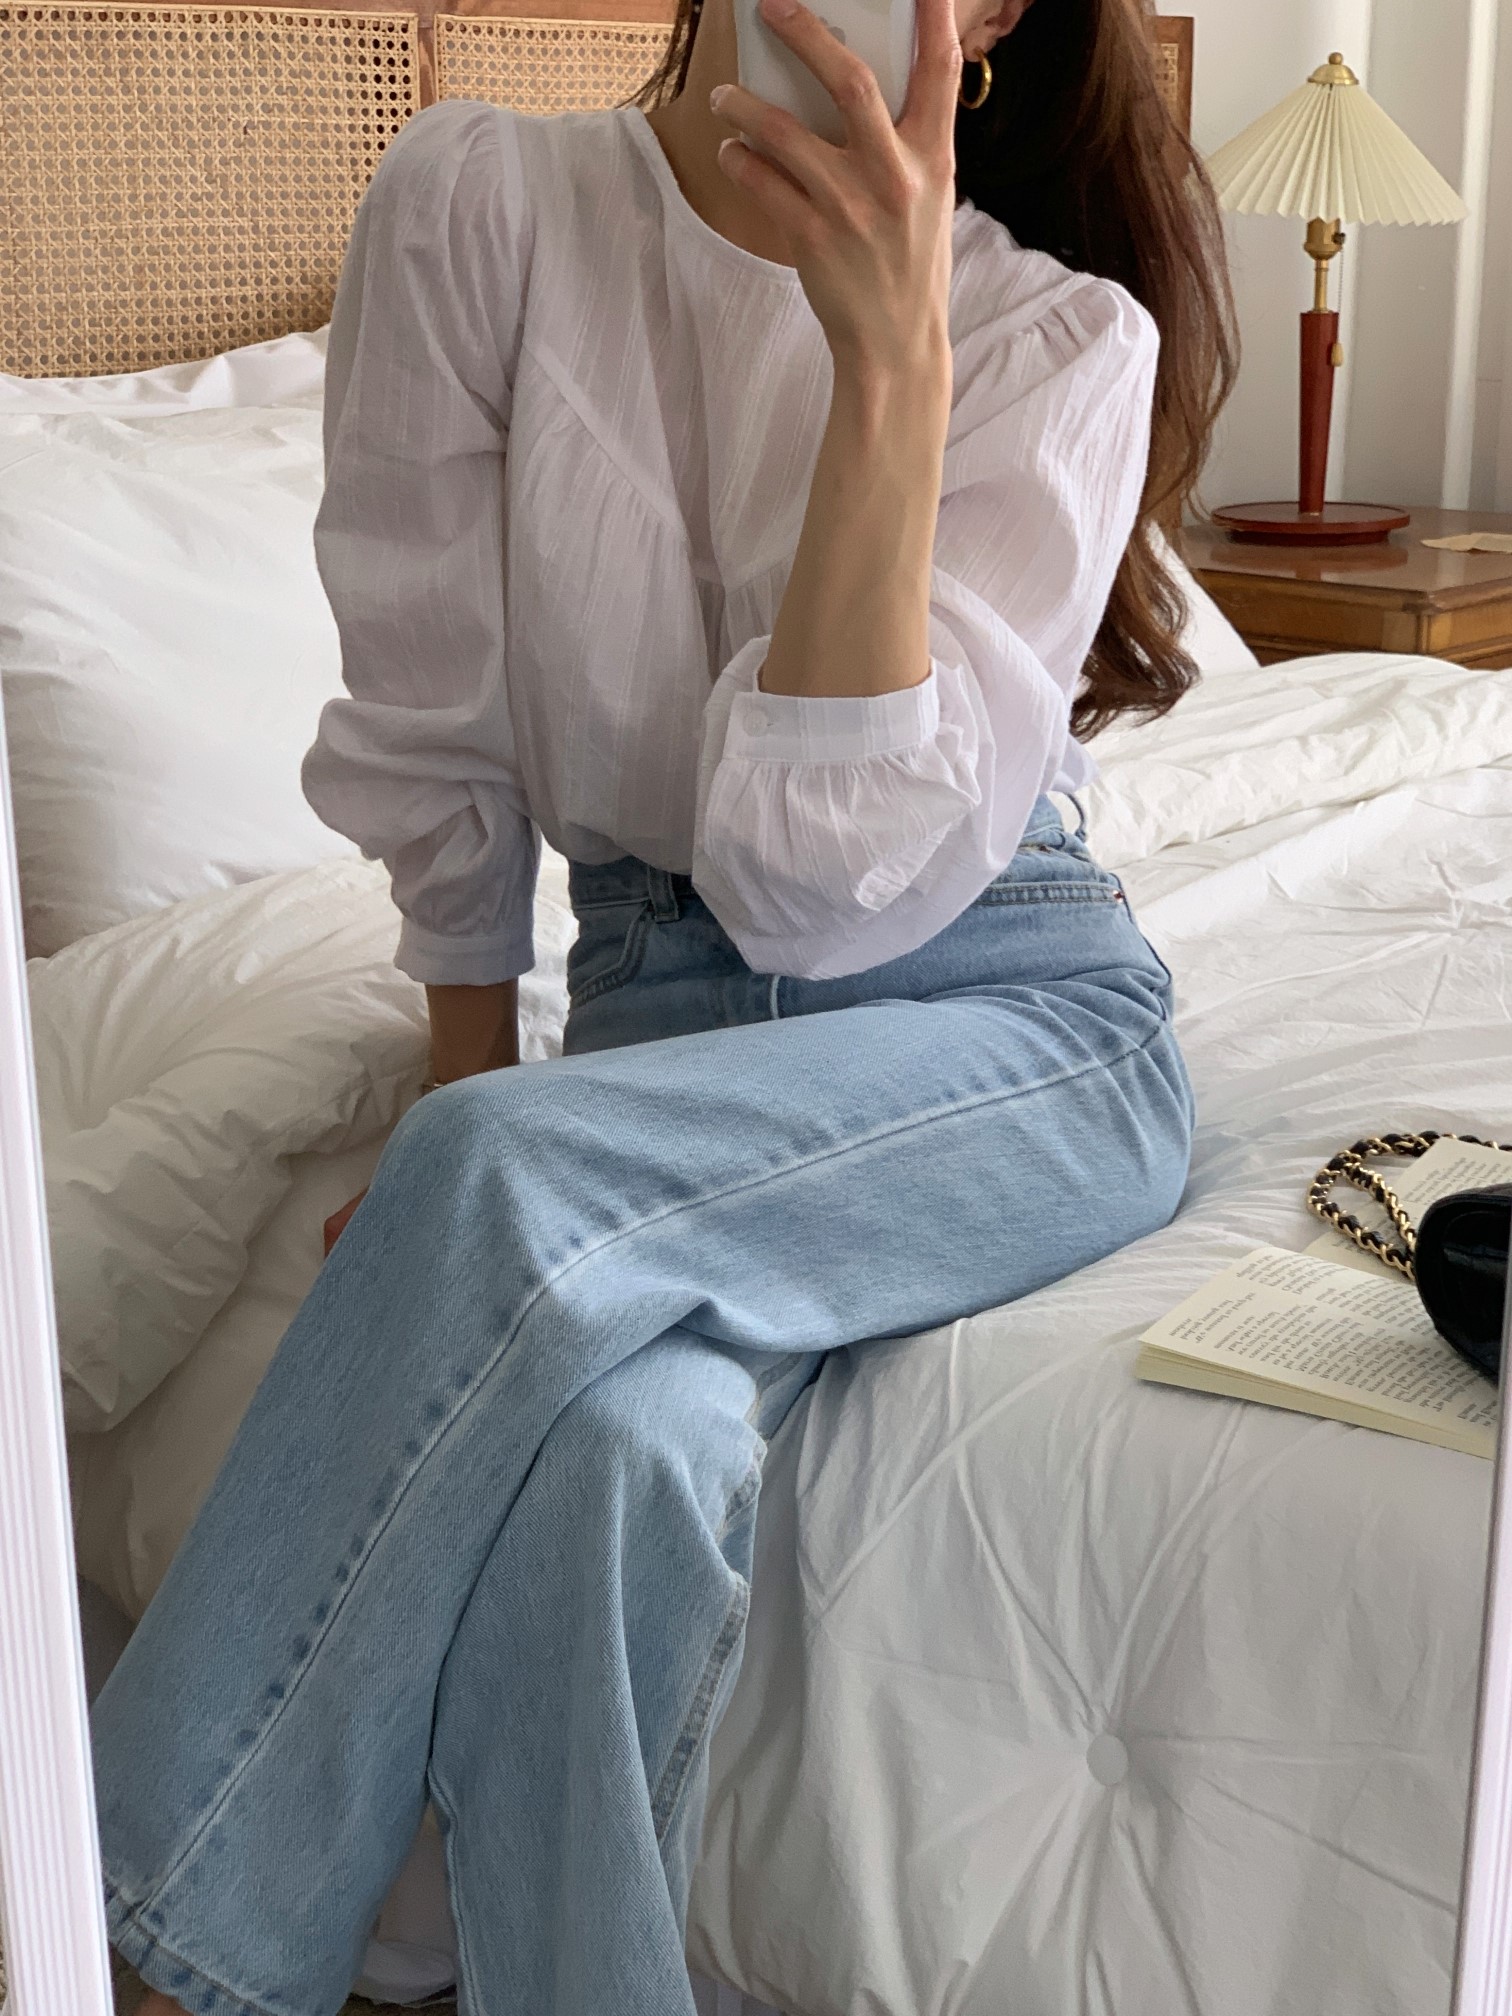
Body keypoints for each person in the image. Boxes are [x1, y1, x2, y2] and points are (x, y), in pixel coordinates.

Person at [93, 0, 1237, 2008]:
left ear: (994, 19)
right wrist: (472, 1096)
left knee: (493, 1180)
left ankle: (123, 1946)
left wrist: (890, 364)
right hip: (652, 1027)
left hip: (1011, 1033)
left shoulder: (1059, 342)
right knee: (616, 1470)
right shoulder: (482, 212)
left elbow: (815, 879)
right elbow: (436, 729)